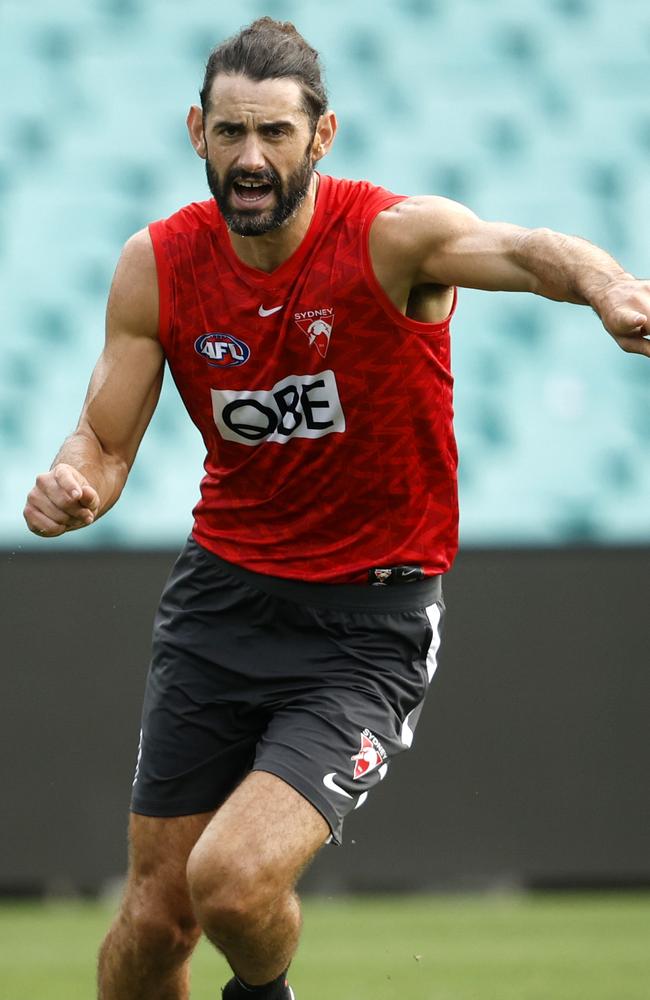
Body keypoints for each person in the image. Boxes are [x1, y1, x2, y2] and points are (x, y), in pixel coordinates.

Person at [23, 16, 649, 1000]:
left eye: (274, 132)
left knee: (230, 883)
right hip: (220, 606)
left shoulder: (390, 240)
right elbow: (101, 444)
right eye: (230, 132)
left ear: (322, 135)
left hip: (364, 629)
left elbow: (526, 251)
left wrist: (611, 292)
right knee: (153, 921)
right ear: (195, 131)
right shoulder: (159, 264)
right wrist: (73, 485)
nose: (250, 156)